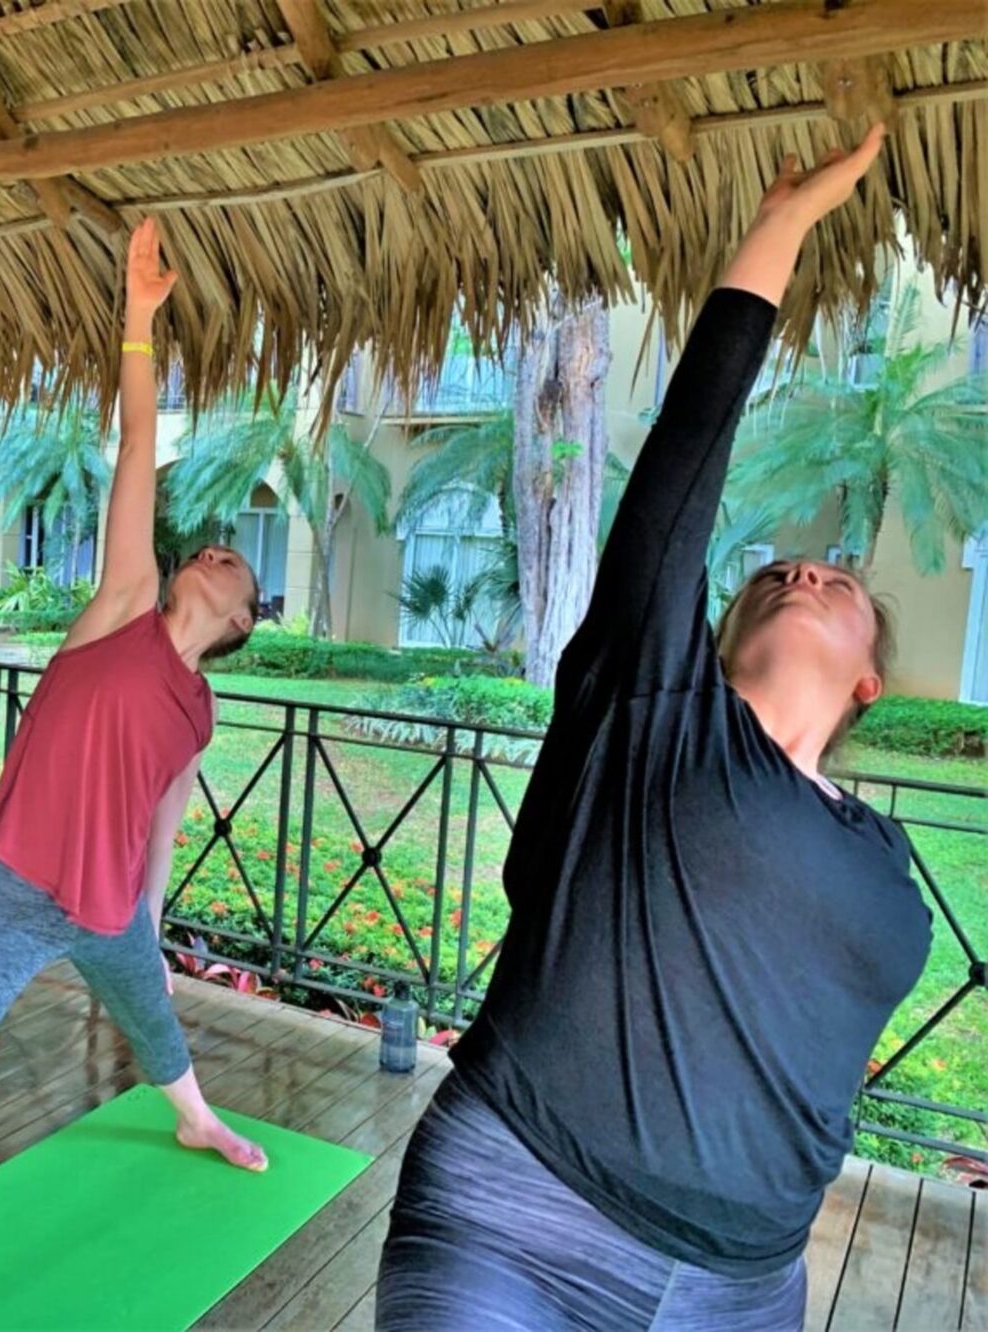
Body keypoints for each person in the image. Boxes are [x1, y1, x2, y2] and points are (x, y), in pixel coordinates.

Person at [376, 127, 931, 1332]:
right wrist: (775, 234)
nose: (800, 569)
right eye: (776, 570)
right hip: (520, 1214)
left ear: (869, 685)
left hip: (746, 1284)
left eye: (837, 579)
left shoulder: (883, 855)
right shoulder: (658, 710)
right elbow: (682, 475)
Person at [0, 218, 268, 1332]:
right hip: (15, 895)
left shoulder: (201, 707)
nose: (215, 548)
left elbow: (162, 814)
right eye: (213, 546)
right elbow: (137, 454)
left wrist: (152, 917)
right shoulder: (126, 603)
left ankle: (192, 1116)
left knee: (154, 1017)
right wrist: (138, 322)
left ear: (240, 619)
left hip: (112, 903)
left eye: (233, 560)